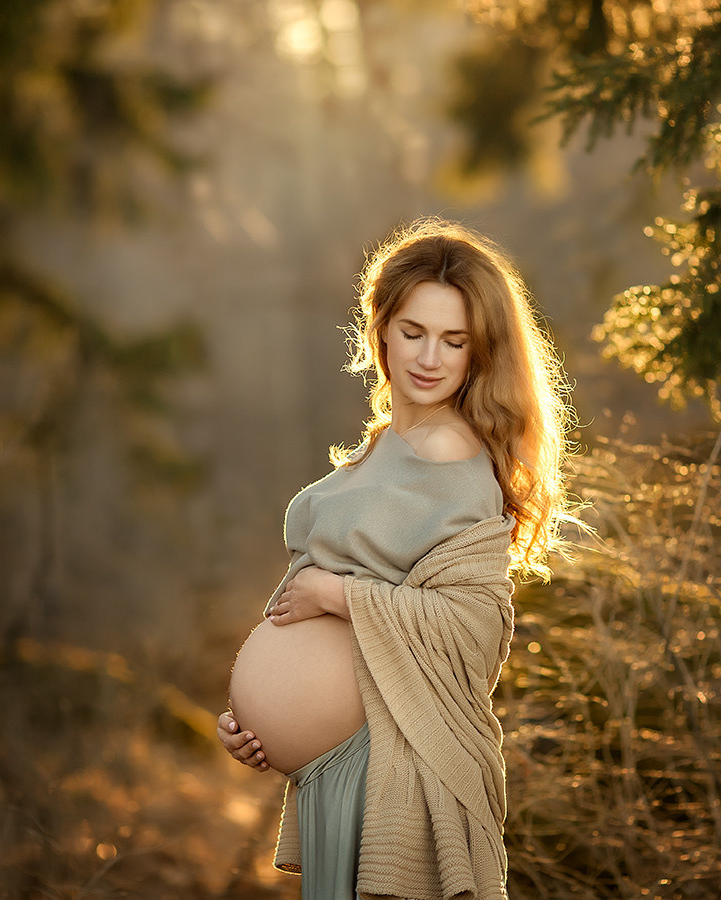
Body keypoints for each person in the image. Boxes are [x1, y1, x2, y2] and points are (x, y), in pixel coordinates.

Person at [217, 218, 573, 900]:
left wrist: (339, 596)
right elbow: (298, 600)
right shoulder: (380, 447)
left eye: (454, 340)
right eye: (414, 332)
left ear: (478, 352)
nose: (430, 357)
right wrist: (247, 718)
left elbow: (475, 632)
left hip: (392, 769)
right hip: (330, 773)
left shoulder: (455, 455)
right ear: (379, 328)